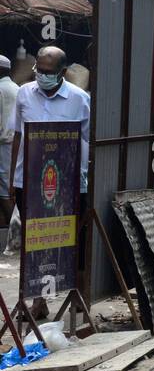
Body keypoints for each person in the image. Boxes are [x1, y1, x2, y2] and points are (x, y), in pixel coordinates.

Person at [8, 47, 91, 242]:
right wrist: (14, 178)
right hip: (28, 181)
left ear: (62, 73)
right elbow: (18, 136)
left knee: (65, 239)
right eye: (39, 69)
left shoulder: (80, 99)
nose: (42, 75)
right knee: (34, 239)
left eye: (48, 72)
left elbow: (88, 142)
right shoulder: (23, 93)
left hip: (66, 184)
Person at [0, 55, 18, 248]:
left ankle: (14, 236)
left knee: (5, 191)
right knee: (9, 187)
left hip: (4, 144)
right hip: (15, 143)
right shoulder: (15, 87)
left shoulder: (0, 89)